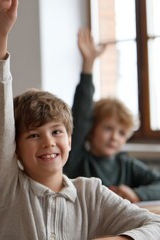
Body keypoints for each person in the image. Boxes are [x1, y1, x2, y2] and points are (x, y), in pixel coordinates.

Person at [0, 0, 160, 239]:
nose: (48, 142)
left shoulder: (91, 193)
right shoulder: (10, 187)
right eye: (33, 135)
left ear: (71, 140)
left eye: (56, 132)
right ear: (15, 149)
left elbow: (155, 225)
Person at [63, 28, 160, 202]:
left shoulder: (128, 166)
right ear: (91, 130)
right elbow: (82, 113)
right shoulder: (76, 158)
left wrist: (137, 194)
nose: (114, 137)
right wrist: (88, 65)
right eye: (108, 128)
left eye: (122, 133)